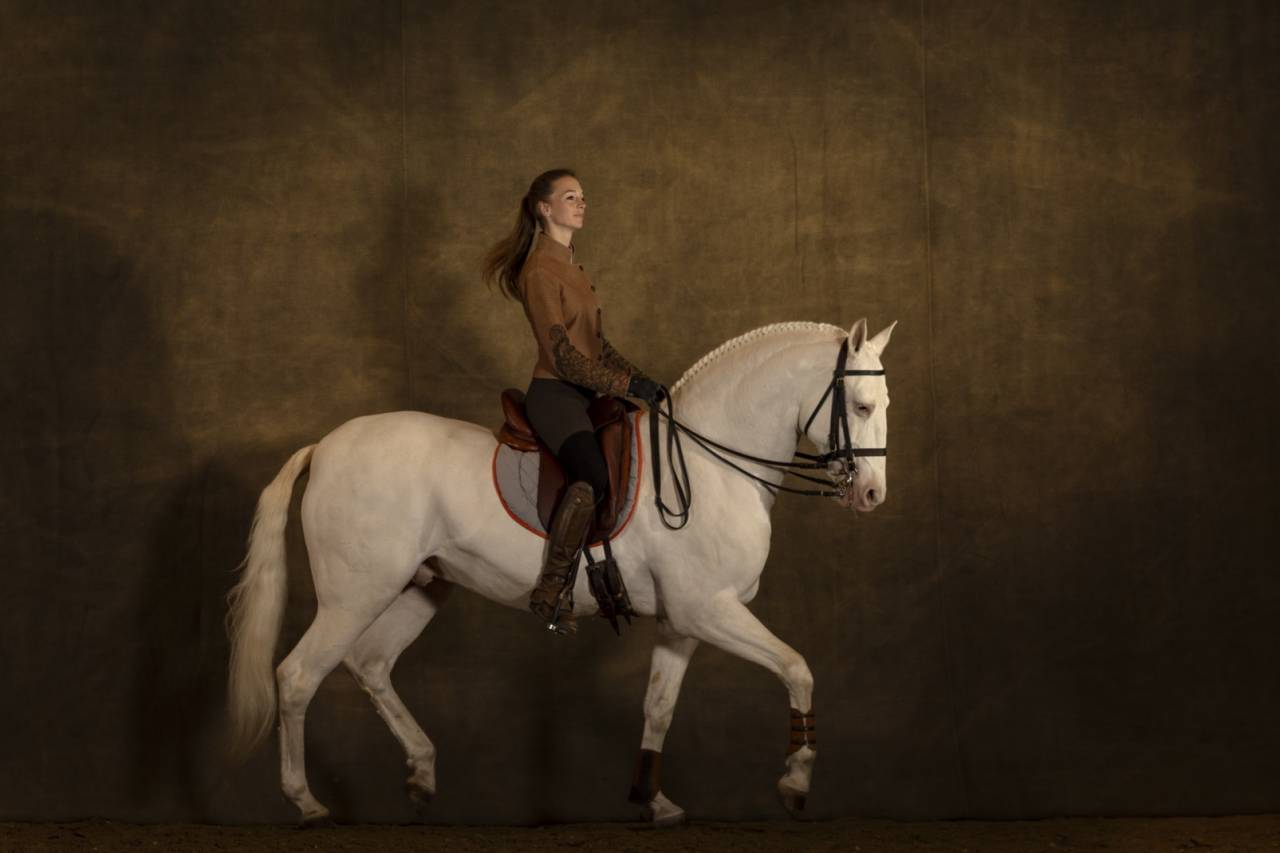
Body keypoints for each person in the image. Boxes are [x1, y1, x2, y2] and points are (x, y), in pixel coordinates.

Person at [483, 169, 663, 632]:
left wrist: (646, 383)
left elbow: (597, 347)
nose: (582, 203)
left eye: (583, 197)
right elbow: (563, 357)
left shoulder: (571, 264)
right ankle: (553, 587)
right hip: (556, 394)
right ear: (544, 208)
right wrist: (626, 387)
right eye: (570, 197)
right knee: (593, 473)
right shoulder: (540, 270)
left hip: (587, 394)